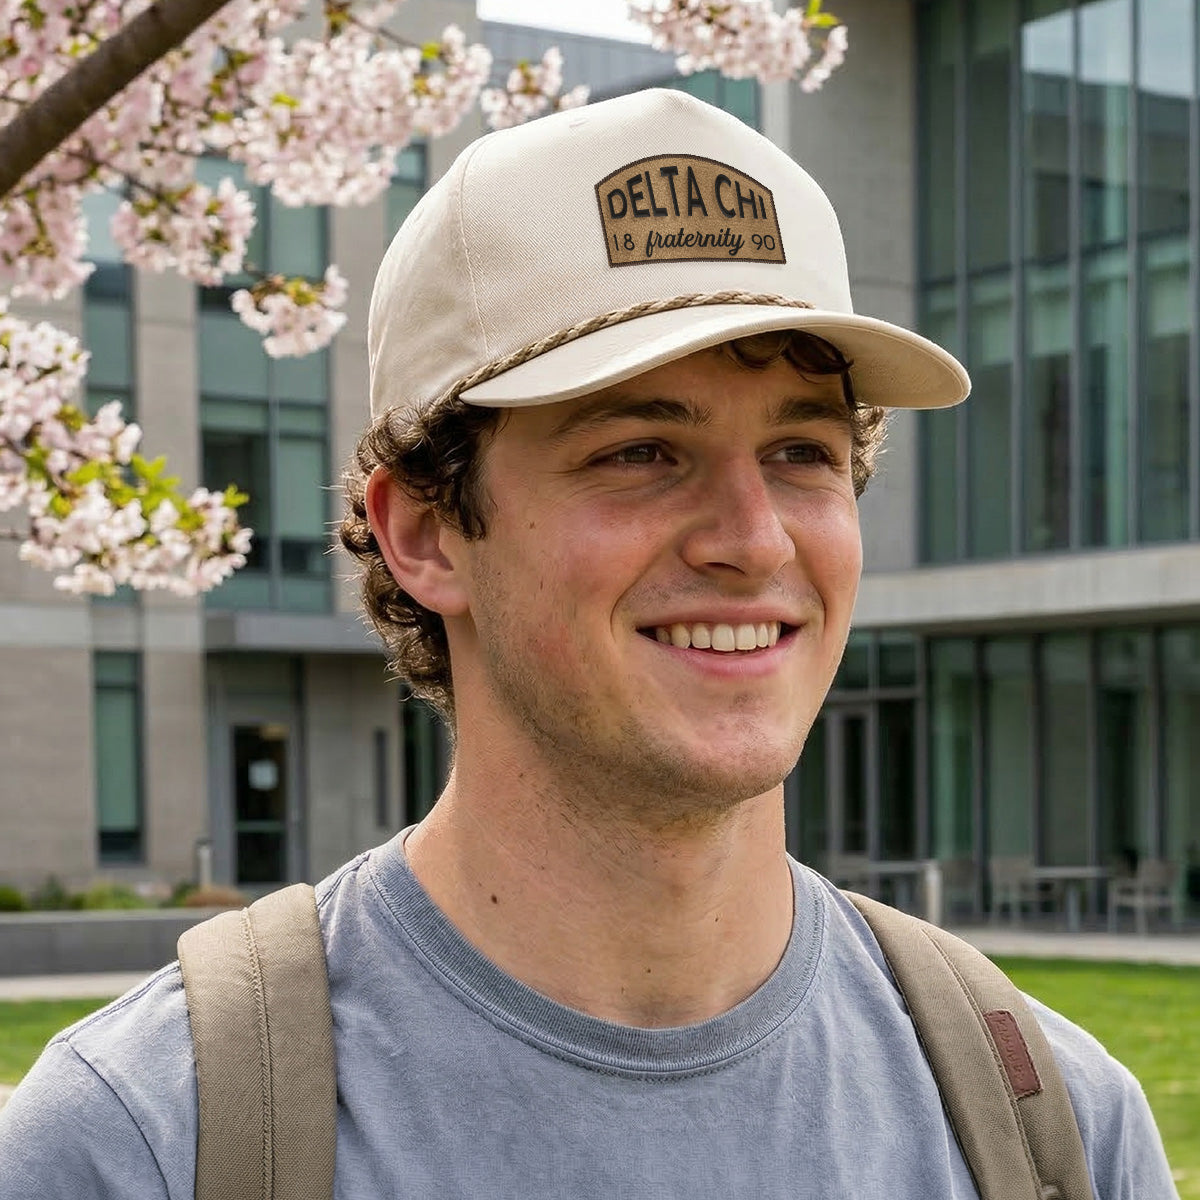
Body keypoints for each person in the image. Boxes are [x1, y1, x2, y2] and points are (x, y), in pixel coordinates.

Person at [0, 88, 1178, 1199]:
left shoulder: (1052, 1126)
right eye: (639, 452)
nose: (754, 539)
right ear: (424, 534)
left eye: (802, 454)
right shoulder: (144, 1141)